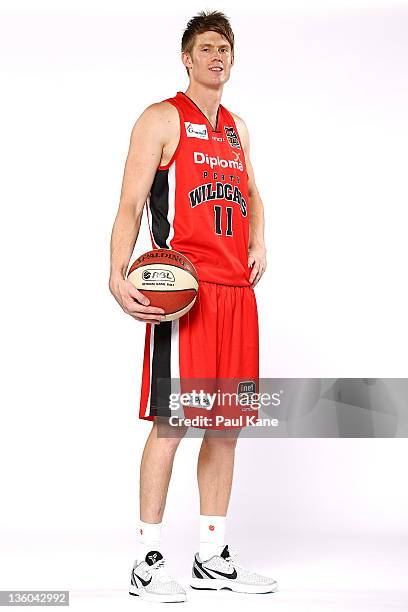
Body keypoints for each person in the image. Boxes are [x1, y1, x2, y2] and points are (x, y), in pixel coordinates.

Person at [109, 9, 278, 603]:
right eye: (206, 47)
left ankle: (212, 555)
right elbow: (130, 204)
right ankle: (148, 561)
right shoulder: (161, 118)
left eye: (224, 48)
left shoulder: (236, 128)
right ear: (186, 57)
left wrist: (258, 239)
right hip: (186, 296)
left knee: (226, 428)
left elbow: (253, 191)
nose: (217, 56)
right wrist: (115, 274)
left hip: (238, 295)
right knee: (172, 423)